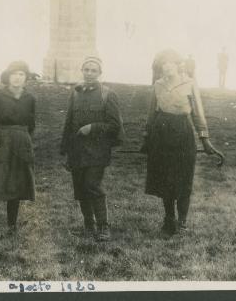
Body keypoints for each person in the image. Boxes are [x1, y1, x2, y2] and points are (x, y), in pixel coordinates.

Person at [142, 49, 217, 235]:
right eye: (163, 64)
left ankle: (182, 220)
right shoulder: (157, 85)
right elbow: (151, 114)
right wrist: (147, 138)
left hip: (183, 133)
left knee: (183, 178)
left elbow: (198, 114)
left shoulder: (189, 83)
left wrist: (205, 140)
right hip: (161, 134)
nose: (166, 67)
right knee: (165, 178)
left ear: (178, 64)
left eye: (170, 63)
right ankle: (169, 218)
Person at [60, 57, 124, 242]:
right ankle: (89, 225)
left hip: (98, 150)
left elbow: (114, 125)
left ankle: (104, 226)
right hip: (77, 150)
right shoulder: (76, 92)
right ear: (82, 70)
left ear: (99, 73)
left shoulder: (107, 94)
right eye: (86, 69)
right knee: (80, 188)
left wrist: (93, 127)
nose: (89, 73)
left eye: (93, 70)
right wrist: (65, 150)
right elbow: (69, 123)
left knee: (92, 185)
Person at [0, 61, 36, 240]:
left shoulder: (30, 98)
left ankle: (12, 226)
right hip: (1, 141)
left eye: (21, 74)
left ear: (26, 78)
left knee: (16, 183)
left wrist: (25, 141)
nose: (17, 78)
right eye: (14, 74)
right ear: (8, 77)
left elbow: (31, 124)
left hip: (21, 141)